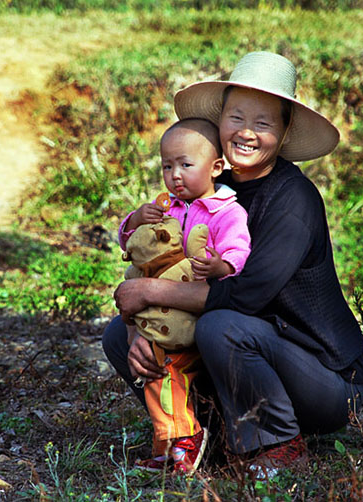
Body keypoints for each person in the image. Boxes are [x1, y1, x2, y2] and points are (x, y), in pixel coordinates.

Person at [103, 51, 363, 478]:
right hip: (246, 350)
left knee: (221, 323)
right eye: (236, 118)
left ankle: (278, 445)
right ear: (220, 122)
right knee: (119, 334)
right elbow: (159, 256)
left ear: (283, 134)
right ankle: (193, 438)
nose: (247, 133)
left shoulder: (293, 200)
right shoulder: (210, 187)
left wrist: (152, 293)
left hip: (322, 379)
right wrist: (139, 323)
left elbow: (246, 297)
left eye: (263, 124)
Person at [118, 118, 252, 475]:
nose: (175, 175)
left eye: (185, 165)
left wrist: (222, 266)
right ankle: (168, 446)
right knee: (155, 373)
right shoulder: (168, 207)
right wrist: (134, 221)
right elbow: (135, 247)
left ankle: (185, 440)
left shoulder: (227, 211)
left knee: (167, 370)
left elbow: (239, 250)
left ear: (216, 168)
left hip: (194, 315)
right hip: (164, 311)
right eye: (167, 166)